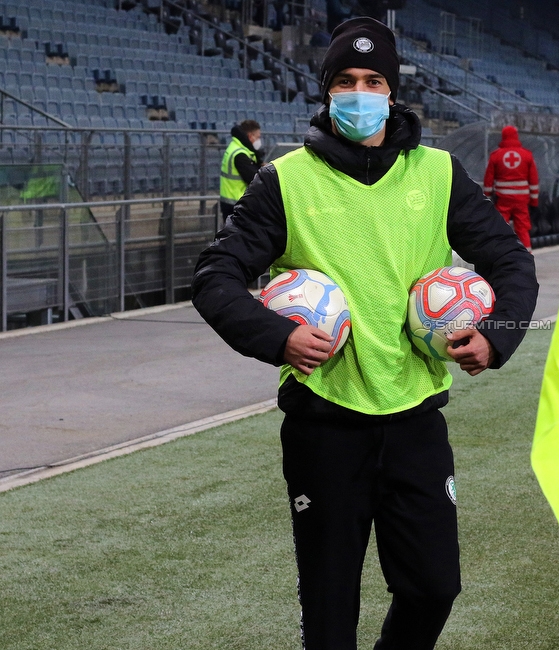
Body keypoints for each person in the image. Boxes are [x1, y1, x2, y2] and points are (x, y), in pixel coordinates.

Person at [191, 17, 539, 650]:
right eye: (346, 81)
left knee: (435, 588)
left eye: (373, 80)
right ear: (327, 92)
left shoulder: (437, 173)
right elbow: (215, 275)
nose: (360, 92)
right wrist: (277, 337)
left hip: (415, 418)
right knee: (330, 615)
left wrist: (499, 334)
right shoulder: (285, 179)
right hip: (323, 422)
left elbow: (511, 260)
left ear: (392, 90)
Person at [483, 125, 539, 251]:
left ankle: (501, 253)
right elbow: (534, 181)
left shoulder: (495, 156)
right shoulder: (527, 155)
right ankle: (527, 256)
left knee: (501, 227)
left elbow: (488, 180)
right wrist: (534, 202)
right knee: (523, 229)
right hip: (522, 201)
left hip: (503, 199)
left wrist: (486, 198)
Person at [219, 119, 263, 224]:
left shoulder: (236, 147)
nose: (259, 140)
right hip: (237, 205)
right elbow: (254, 179)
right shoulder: (240, 154)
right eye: (258, 137)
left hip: (232, 204)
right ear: (250, 136)